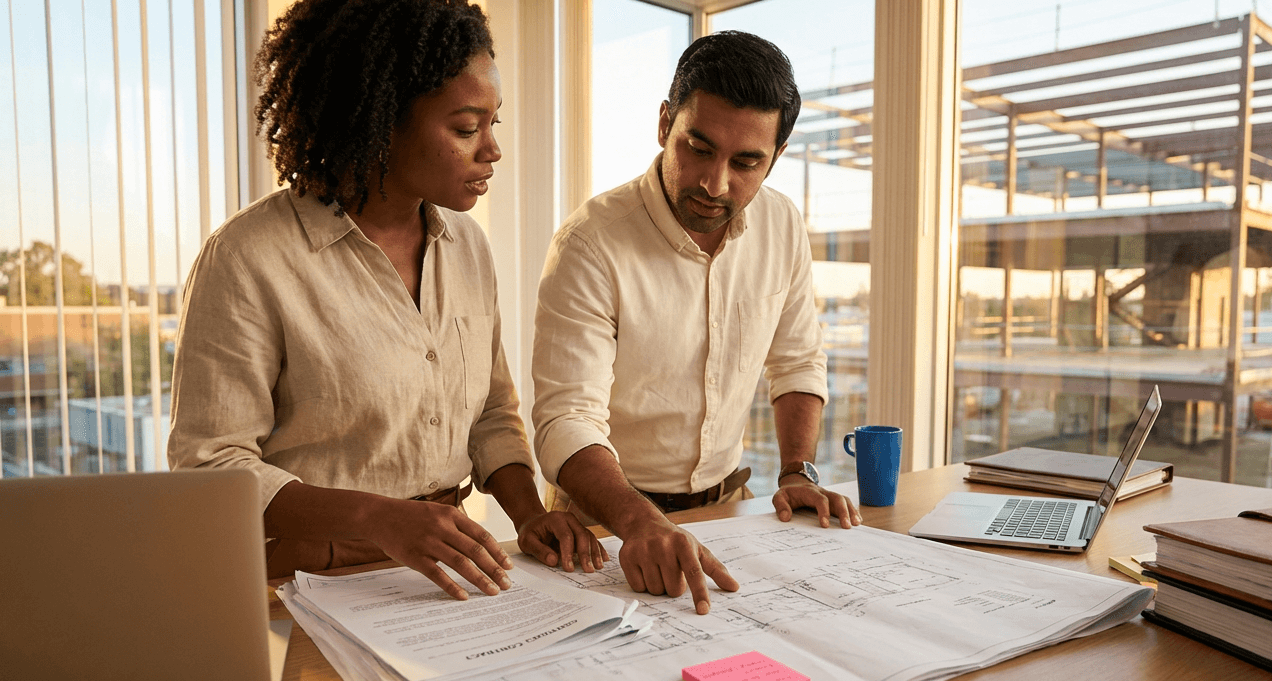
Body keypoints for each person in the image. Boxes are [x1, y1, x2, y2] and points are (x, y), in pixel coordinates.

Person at [168, 0, 604, 601]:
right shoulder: (249, 257)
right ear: (379, 121)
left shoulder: (467, 246)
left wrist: (529, 514)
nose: (492, 150)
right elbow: (211, 466)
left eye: (493, 123)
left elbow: (490, 411)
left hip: (449, 564)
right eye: (466, 128)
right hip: (311, 575)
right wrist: (379, 518)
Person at [532, 31, 860, 616]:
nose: (715, 184)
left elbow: (797, 360)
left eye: (746, 162)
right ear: (665, 124)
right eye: (699, 148)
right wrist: (639, 522)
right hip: (603, 523)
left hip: (729, 506)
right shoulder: (590, 243)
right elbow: (566, 419)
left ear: (777, 155)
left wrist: (796, 472)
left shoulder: (781, 224)